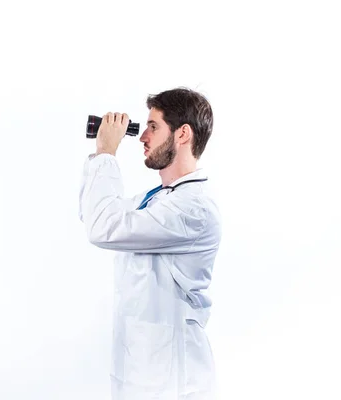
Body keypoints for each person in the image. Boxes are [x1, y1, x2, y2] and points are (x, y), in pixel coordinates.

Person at [78, 87, 222, 399]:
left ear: (182, 134)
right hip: (142, 373)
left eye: (153, 127)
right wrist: (97, 155)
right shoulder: (157, 201)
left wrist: (107, 154)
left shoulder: (192, 209)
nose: (143, 137)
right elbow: (93, 215)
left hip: (174, 382)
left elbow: (104, 227)